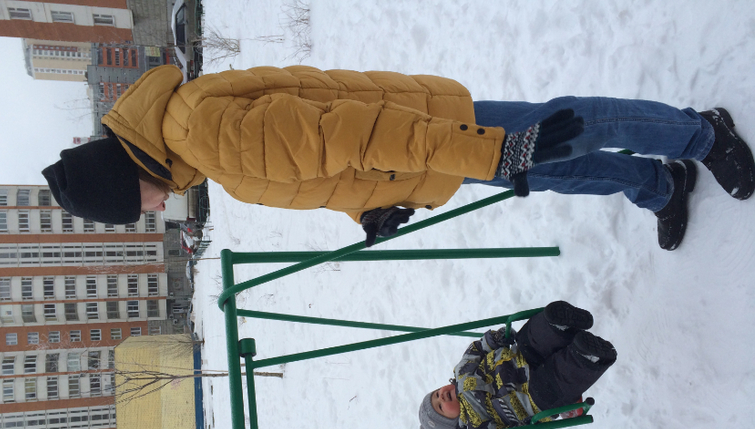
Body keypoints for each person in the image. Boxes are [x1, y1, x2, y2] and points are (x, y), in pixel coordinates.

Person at [42, 65, 754, 252]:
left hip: (427, 136)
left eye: (139, 207)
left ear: (129, 179)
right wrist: (368, 209)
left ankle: (701, 135)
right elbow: (327, 164)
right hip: (426, 154)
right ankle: (659, 184)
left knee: (565, 131)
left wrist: (488, 148)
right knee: (550, 168)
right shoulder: (195, 146)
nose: (157, 208)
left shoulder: (206, 139)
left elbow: (359, 132)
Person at [418, 301, 616, 429]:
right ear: (452, 422)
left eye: (436, 394)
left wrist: (493, 340)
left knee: (530, 339)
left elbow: (476, 350)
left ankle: (557, 326)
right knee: (555, 382)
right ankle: (585, 356)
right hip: (530, 398)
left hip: (518, 357)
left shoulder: (461, 372)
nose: (441, 396)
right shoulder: (475, 428)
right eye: (440, 407)